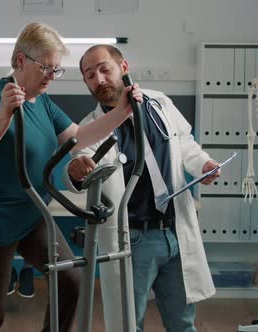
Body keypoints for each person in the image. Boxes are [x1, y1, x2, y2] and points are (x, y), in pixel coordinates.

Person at [0, 23, 142, 332]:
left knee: (71, 279)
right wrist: (5, 114)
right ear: (21, 61)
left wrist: (124, 110)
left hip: (33, 214)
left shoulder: (42, 101)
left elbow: (79, 136)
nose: (51, 76)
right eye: (46, 67)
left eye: (56, 70)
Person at [65, 45, 220, 331]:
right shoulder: (90, 127)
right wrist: (76, 169)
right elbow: (78, 167)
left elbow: (183, 142)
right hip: (133, 240)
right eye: (89, 75)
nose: (98, 79)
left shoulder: (158, 102)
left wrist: (203, 164)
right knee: (128, 325)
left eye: (104, 69)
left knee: (183, 323)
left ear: (123, 67)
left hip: (175, 231)